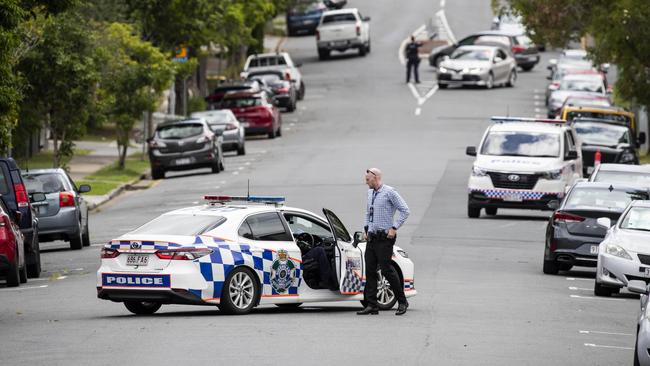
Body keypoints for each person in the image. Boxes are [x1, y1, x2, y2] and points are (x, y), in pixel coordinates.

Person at [358, 168, 410, 316]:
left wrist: (394, 228)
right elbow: (368, 213)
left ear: (375, 178)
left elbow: (405, 210)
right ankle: (372, 305)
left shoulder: (389, 192)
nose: (366, 182)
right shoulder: (370, 193)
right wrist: (366, 229)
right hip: (372, 238)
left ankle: (402, 301)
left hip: (385, 239)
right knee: (370, 271)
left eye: (368, 180)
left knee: (386, 270)